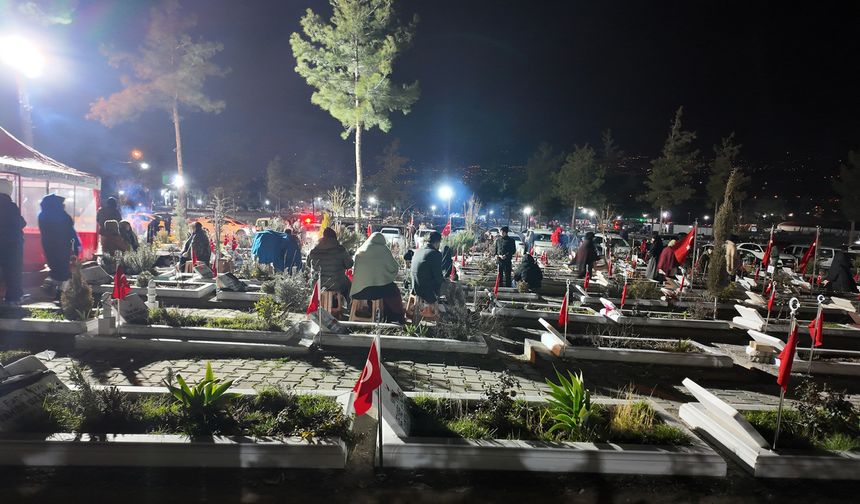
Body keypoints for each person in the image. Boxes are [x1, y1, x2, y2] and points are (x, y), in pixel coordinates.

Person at [351, 232, 406, 323]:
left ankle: (371, 310)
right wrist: (386, 276)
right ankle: (397, 317)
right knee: (393, 290)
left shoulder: (360, 250)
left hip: (358, 292)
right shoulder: (384, 250)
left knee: (381, 289)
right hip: (377, 292)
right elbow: (395, 268)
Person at [38, 194, 80, 283]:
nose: (63, 205)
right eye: (61, 204)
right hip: (63, 246)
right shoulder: (62, 215)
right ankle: (62, 286)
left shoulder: (42, 215)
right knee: (63, 267)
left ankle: (57, 284)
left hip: (49, 245)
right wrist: (76, 245)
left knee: (54, 265)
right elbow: (70, 232)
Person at [307, 227, 353, 300]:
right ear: (335, 238)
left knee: (311, 281)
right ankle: (347, 304)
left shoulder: (314, 250)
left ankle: (318, 302)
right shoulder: (340, 250)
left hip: (317, 284)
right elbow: (349, 264)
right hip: (337, 284)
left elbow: (308, 264)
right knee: (348, 285)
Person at [0, 180, 26, 304]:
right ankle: (13, 297)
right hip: (11, 245)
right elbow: (20, 223)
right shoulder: (11, 206)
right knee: (13, 271)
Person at [411, 231, 444, 303]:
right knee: (455, 287)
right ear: (437, 242)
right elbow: (438, 277)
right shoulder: (435, 254)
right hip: (427, 291)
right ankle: (456, 309)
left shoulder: (417, 251)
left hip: (415, 288)